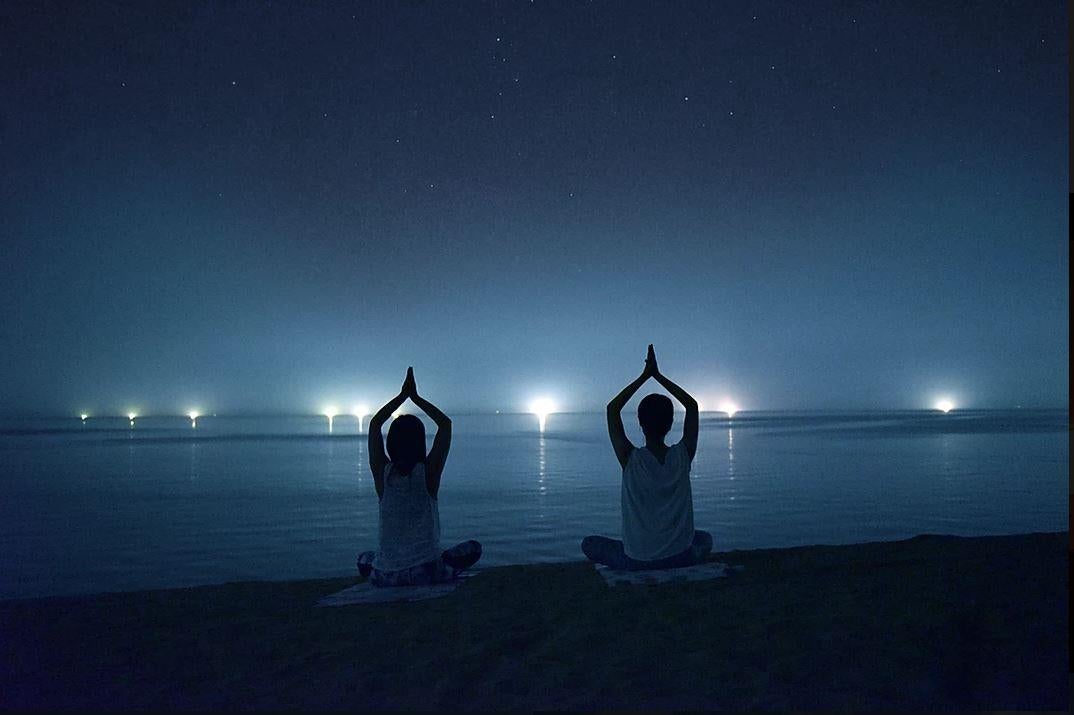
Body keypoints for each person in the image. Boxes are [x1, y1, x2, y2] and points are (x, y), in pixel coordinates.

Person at [582, 344, 713, 570]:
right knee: (704, 539)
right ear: (671, 424)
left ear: (640, 424)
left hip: (637, 560)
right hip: (681, 556)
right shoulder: (683, 456)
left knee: (589, 544)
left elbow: (612, 409)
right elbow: (692, 406)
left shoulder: (630, 459)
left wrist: (645, 376)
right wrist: (658, 376)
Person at [356, 367, 481, 586]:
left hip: (386, 576)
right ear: (420, 442)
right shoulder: (428, 475)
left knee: (365, 558)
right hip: (428, 571)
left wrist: (402, 397)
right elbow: (445, 425)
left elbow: (375, 424)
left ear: (391, 444)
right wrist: (416, 398)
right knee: (473, 548)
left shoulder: (383, 476)